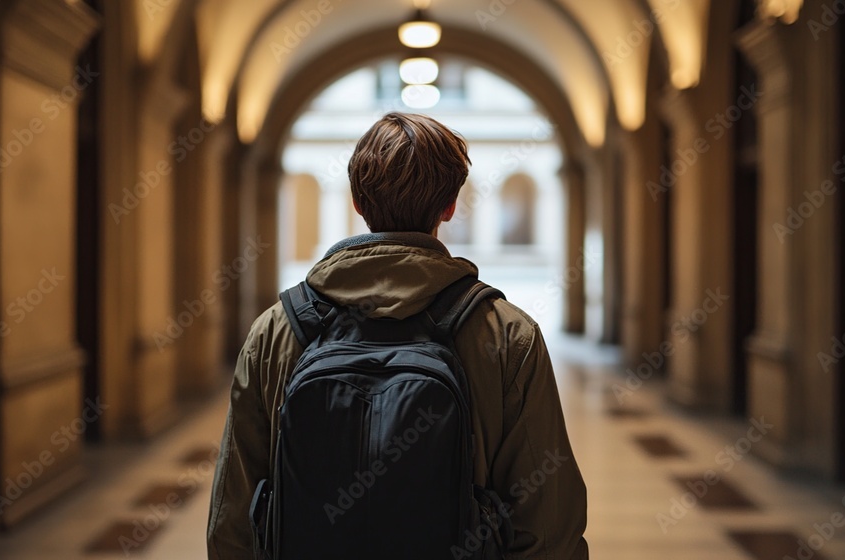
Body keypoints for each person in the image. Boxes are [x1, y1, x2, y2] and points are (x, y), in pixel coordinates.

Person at [207, 112, 588, 559]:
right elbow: (548, 525)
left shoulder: (276, 331)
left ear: (357, 202)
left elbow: (232, 519)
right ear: (450, 205)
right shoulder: (507, 335)